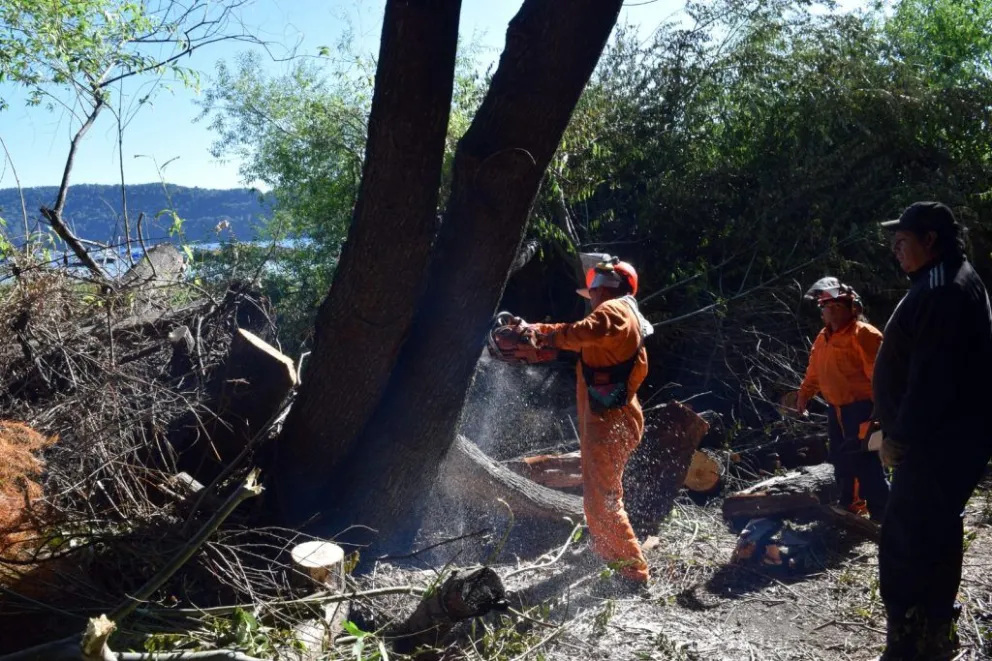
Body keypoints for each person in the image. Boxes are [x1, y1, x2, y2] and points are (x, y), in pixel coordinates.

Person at [873, 201, 992, 660]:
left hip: (935, 442)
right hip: (949, 440)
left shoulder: (944, 289)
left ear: (930, 240)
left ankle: (910, 642)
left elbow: (931, 378)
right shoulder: (946, 280)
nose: (895, 251)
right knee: (935, 532)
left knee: (906, 539)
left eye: (902, 241)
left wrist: (898, 438)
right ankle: (933, 633)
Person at [512, 256, 653, 589]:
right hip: (611, 418)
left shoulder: (613, 311)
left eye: (592, 292)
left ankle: (634, 572)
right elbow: (579, 336)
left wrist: (545, 338)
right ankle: (607, 551)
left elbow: (580, 332)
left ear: (605, 287)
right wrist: (534, 331)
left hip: (611, 422)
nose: (590, 298)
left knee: (605, 498)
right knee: (596, 496)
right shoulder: (623, 314)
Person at [796, 277, 889, 521]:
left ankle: (884, 514)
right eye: (828, 307)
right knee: (841, 459)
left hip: (864, 408)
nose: (832, 312)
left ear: (852, 308)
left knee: (866, 460)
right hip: (836, 409)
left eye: (838, 306)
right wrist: (804, 395)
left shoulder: (864, 334)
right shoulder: (822, 338)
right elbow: (814, 372)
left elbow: (881, 376)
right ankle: (850, 507)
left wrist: (880, 411)